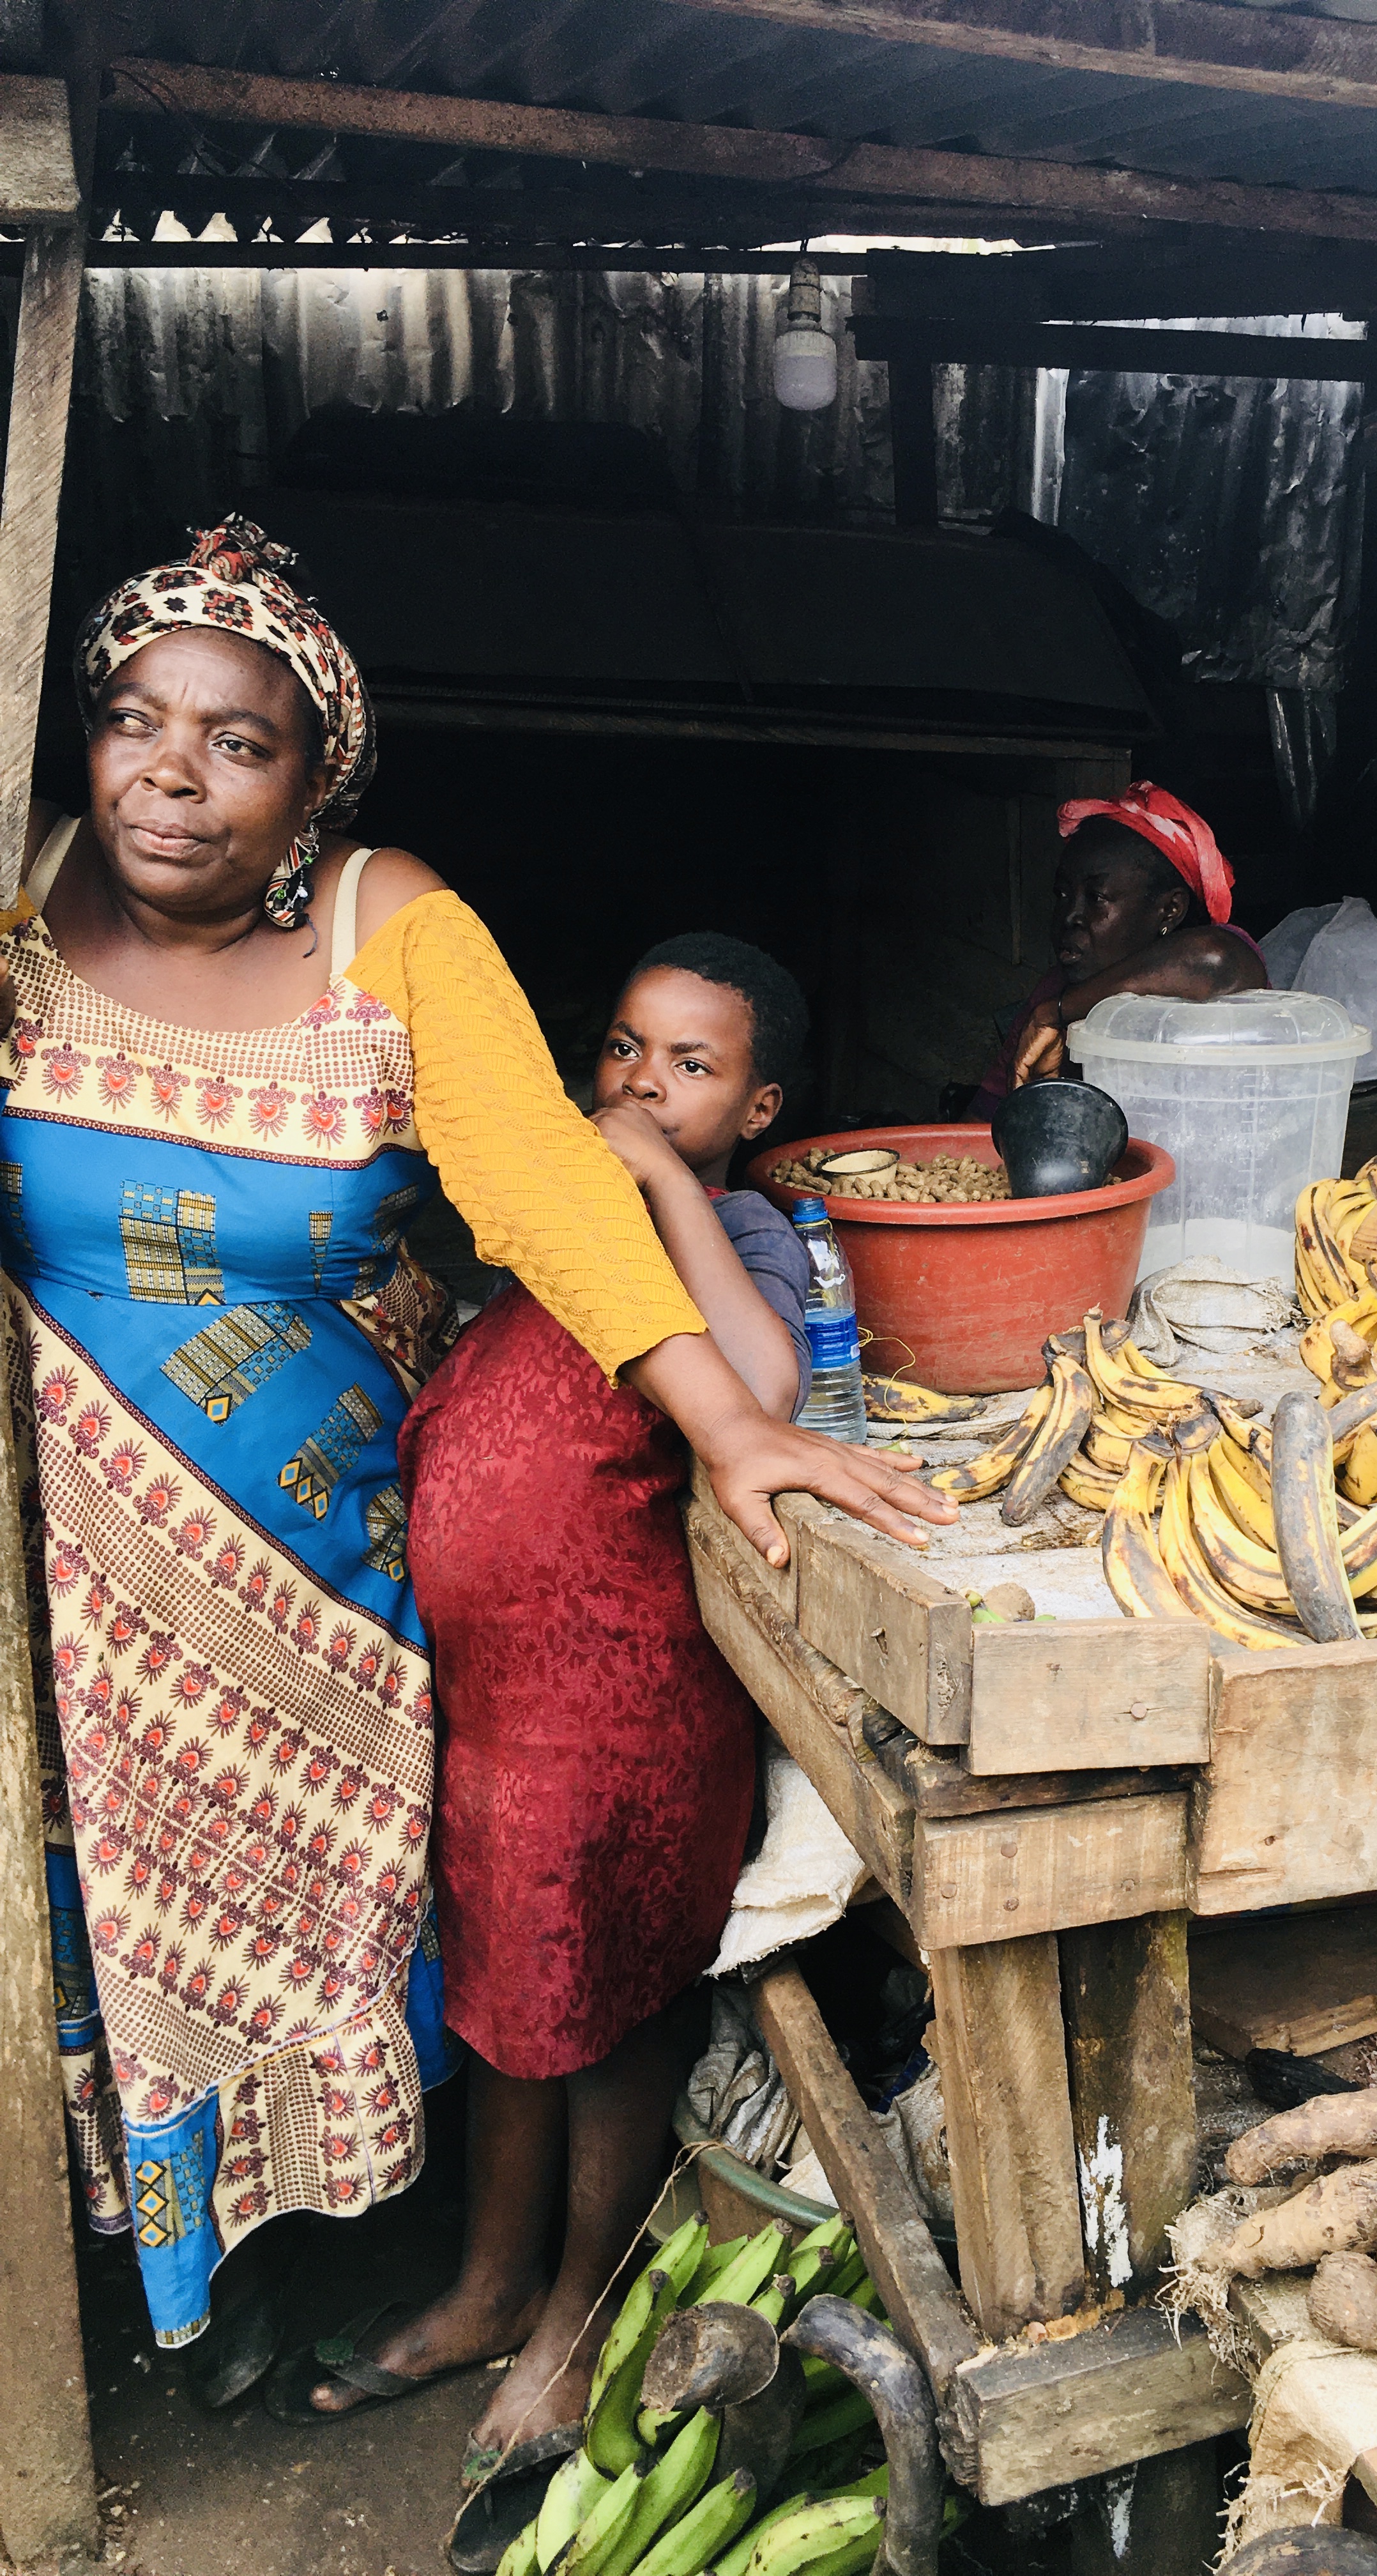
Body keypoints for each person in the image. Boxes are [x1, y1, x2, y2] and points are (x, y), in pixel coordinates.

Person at [4, 518, 948, 2404]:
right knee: (108, 1943)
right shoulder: (23, 909)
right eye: (132, 721)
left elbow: (539, 1177)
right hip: (79, 1585)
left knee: (344, 1926)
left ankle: (359, 2255)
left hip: (330, 1589)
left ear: (315, 787)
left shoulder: (396, 931)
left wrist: (730, 1420)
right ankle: (192, 2296)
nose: (172, 775)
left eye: (240, 743)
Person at [275, 939, 815, 2510]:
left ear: (757, 1104)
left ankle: (571, 2320)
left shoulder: (749, 1234)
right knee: (506, 2012)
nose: (642, 1086)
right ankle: (485, 2287)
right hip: (498, 1720)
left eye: (691, 1069)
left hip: (630, 1721)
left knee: (612, 2018)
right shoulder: (540, 1231)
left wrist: (662, 1188)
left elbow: (764, 1383)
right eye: (626, 1052)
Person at [967, 781, 1267, 1117]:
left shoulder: (1224, 963)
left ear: (1170, 911)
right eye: (1063, 895)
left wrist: (1058, 1013)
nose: (1070, 917)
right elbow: (982, 1123)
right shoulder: (1054, 988)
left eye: (1096, 898)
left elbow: (1215, 957)